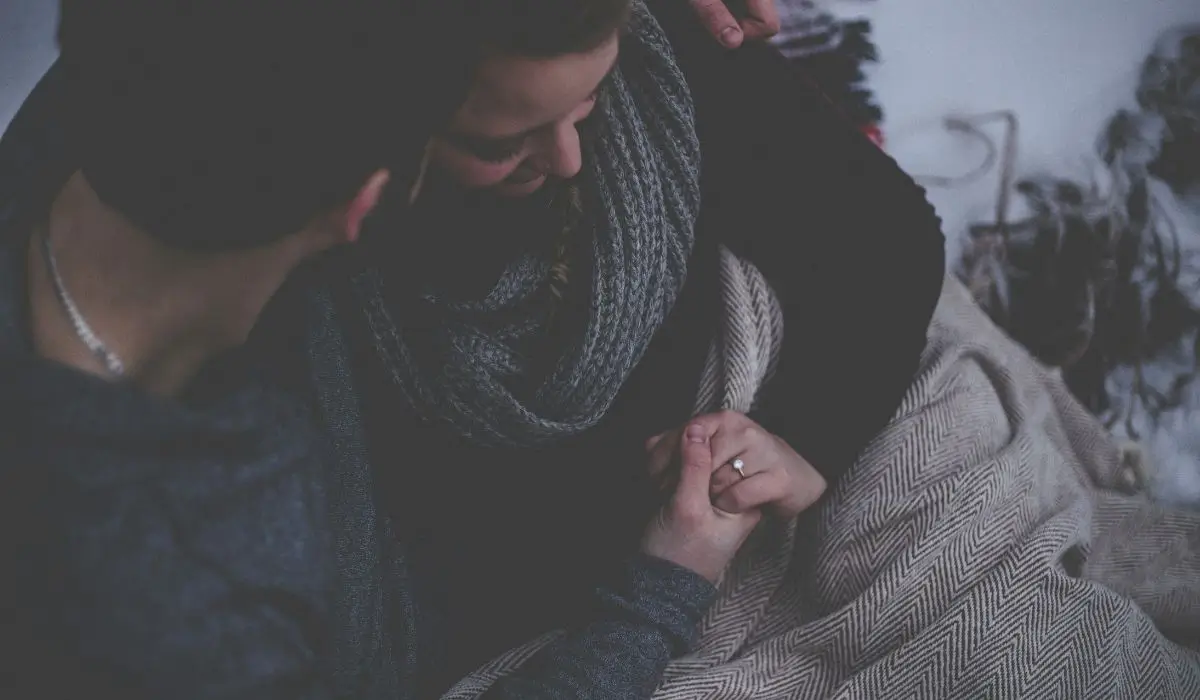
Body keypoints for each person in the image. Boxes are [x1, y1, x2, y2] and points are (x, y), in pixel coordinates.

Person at [0, 1, 809, 699]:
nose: (568, 159)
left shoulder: (96, 108)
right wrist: (661, 595)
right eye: (494, 142)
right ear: (369, 204)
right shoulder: (213, 590)